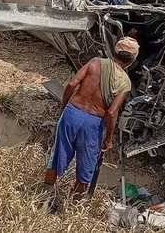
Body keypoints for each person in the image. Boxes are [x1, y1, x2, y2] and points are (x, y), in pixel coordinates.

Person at [42, 36, 139, 198]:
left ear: (115, 51)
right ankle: (73, 207)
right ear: (131, 61)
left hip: (72, 114)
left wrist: (64, 107)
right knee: (86, 167)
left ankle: (43, 197)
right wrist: (108, 139)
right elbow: (112, 112)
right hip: (93, 124)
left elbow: (72, 84)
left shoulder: (95, 62)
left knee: (57, 157)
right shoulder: (125, 82)